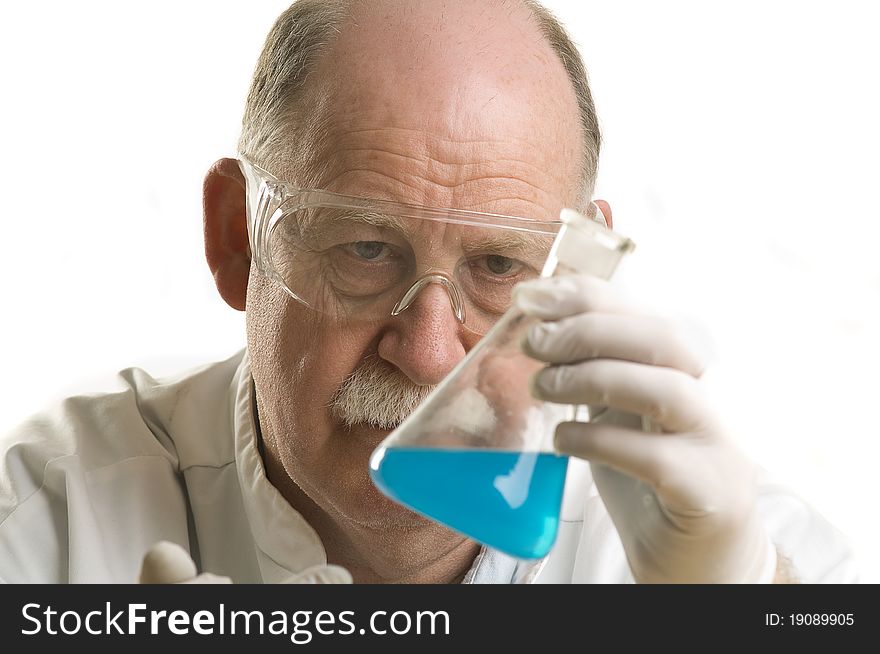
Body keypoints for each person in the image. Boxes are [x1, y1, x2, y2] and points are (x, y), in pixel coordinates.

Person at [0, 0, 857, 584]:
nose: (429, 350)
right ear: (237, 237)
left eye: (498, 267)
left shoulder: (714, 542)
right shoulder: (55, 520)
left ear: (578, 273)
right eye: (367, 248)